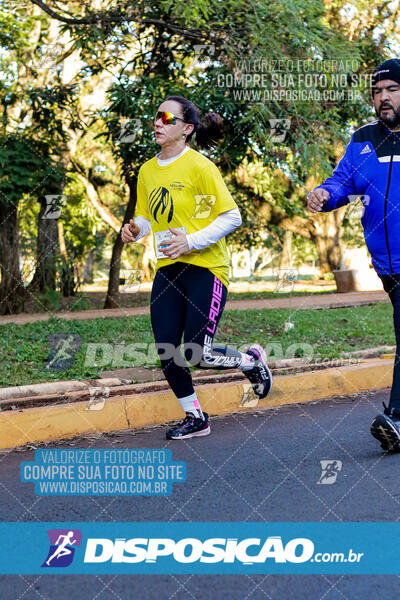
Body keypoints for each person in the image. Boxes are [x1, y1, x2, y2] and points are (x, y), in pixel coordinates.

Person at [121, 95, 272, 440]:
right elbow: (147, 216)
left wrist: (191, 241)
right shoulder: (147, 170)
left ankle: (251, 363)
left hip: (205, 267)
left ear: (186, 129)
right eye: (156, 116)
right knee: (167, 350)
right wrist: (135, 229)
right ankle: (196, 417)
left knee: (197, 352)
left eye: (166, 118)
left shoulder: (201, 167)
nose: (157, 122)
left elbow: (232, 216)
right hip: (168, 268)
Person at [307, 58, 400, 452]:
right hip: (388, 265)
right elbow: (344, 180)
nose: (383, 98)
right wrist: (325, 194)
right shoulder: (363, 139)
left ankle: (395, 418)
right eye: (377, 91)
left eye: (391, 89)